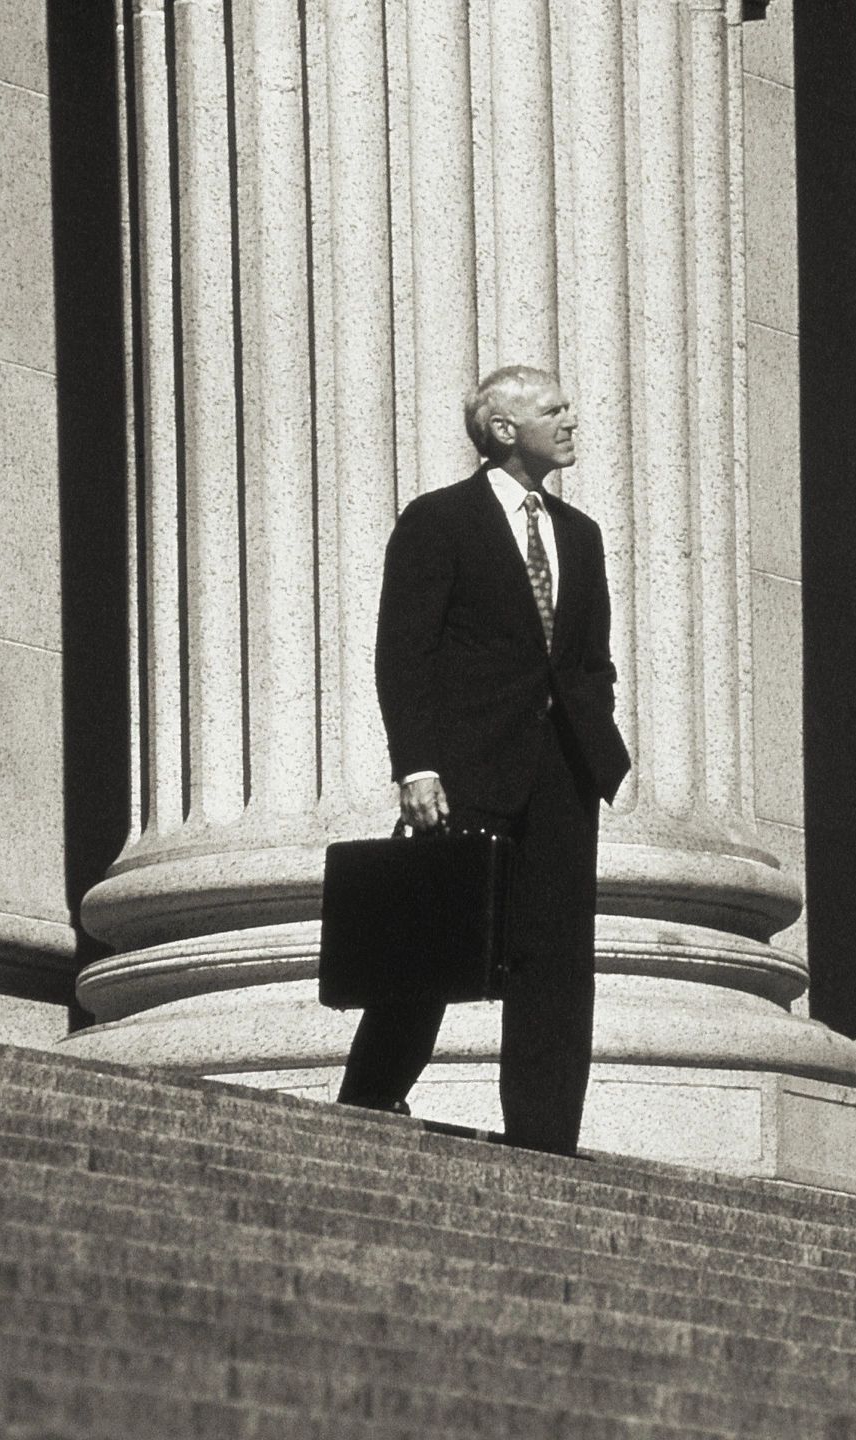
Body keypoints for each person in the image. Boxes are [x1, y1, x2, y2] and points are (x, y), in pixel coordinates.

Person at [335, 365, 631, 1156]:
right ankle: (369, 1096)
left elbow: (589, 656)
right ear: (502, 429)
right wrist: (417, 764)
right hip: (465, 765)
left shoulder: (579, 534)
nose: (571, 418)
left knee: (557, 960)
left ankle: (543, 1139)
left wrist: (597, 731)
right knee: (434, 938)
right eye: (551, 408)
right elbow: (405, 652)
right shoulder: (440, 521)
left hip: (563, 769)